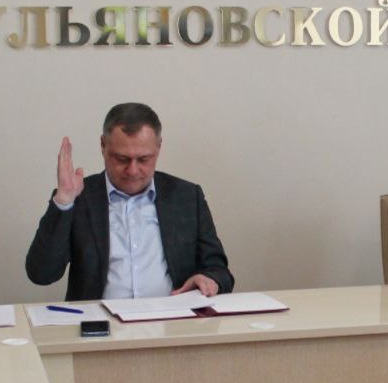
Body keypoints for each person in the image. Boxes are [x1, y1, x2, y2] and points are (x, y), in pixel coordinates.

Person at [25, 102, 234, 302]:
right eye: (122, 159)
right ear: (103, 146)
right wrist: (63, 201)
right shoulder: (79, 197)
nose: (133, 171)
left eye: (143, 159)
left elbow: (219, 270)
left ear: (159, 147)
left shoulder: (187, 196)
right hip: (99, 322)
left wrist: (210, 280)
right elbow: (41, 274)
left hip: (171, 320)